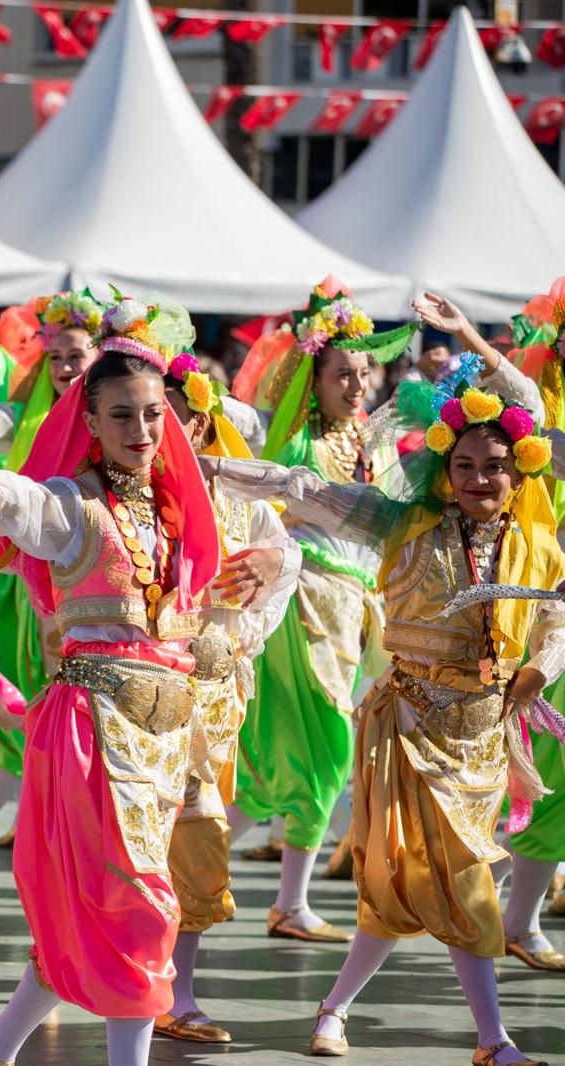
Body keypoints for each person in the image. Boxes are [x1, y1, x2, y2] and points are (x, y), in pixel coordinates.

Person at [204, 345, 559, 1066]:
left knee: (412, 887)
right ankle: (493, 1040)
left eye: (494, 466)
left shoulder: (540, 549)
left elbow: (557, 622)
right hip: (406, 728)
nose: (479, 479)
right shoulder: (403, 525)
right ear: (445, 471)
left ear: (519, 470)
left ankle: (335, 1007)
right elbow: (302, 488)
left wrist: (540, 671)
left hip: (481, 741)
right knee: (451, 881)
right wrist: (201, 466)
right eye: (465, 466)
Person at [0, 295, 222, 1066]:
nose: (142, 431)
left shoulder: (174, 512)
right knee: (143, 907)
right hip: (92, 736)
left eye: (153, 415)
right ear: (90, 421)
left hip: (162, 738)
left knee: (109, 911)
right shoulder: (69, 508)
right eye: (121, 416)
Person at [226, 277, 412, 941]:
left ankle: (196, 868)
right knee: (325, 749)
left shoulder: (375, 439)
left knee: (288, 764)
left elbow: (395, 519)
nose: (357, 385)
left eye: (365, 372)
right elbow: (252, 491)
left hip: (354, 611)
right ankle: (286, 901)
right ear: (314, 376)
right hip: (298, 602)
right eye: (342, 374)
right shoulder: (289, 436)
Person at [154, 352, 299, 1044]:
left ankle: (175, 992)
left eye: (170, 415)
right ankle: (71, 971)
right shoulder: (118, 496)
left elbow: (287, 556)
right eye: (141, 414)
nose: (155, 428)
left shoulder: (242, 500)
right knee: (120, 845)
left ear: (203, 424)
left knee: (198, 838)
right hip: (128, 697)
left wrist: (276, 565)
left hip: (209, 706)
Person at [0, 291, 102, 889]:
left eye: (77, 356)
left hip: (89, 593)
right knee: (35, 725)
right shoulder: (24, 415)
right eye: (55, 357)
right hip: (24, 598)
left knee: (57, 732)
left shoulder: (115, 422)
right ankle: (0, 847)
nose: (65, 367)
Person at [429, 285, 565, 975]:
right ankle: (505, 915)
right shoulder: (542, 436)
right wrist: (470, 338)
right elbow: (523, 399)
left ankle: (512, 915)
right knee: (544, 775)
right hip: (535, 611)